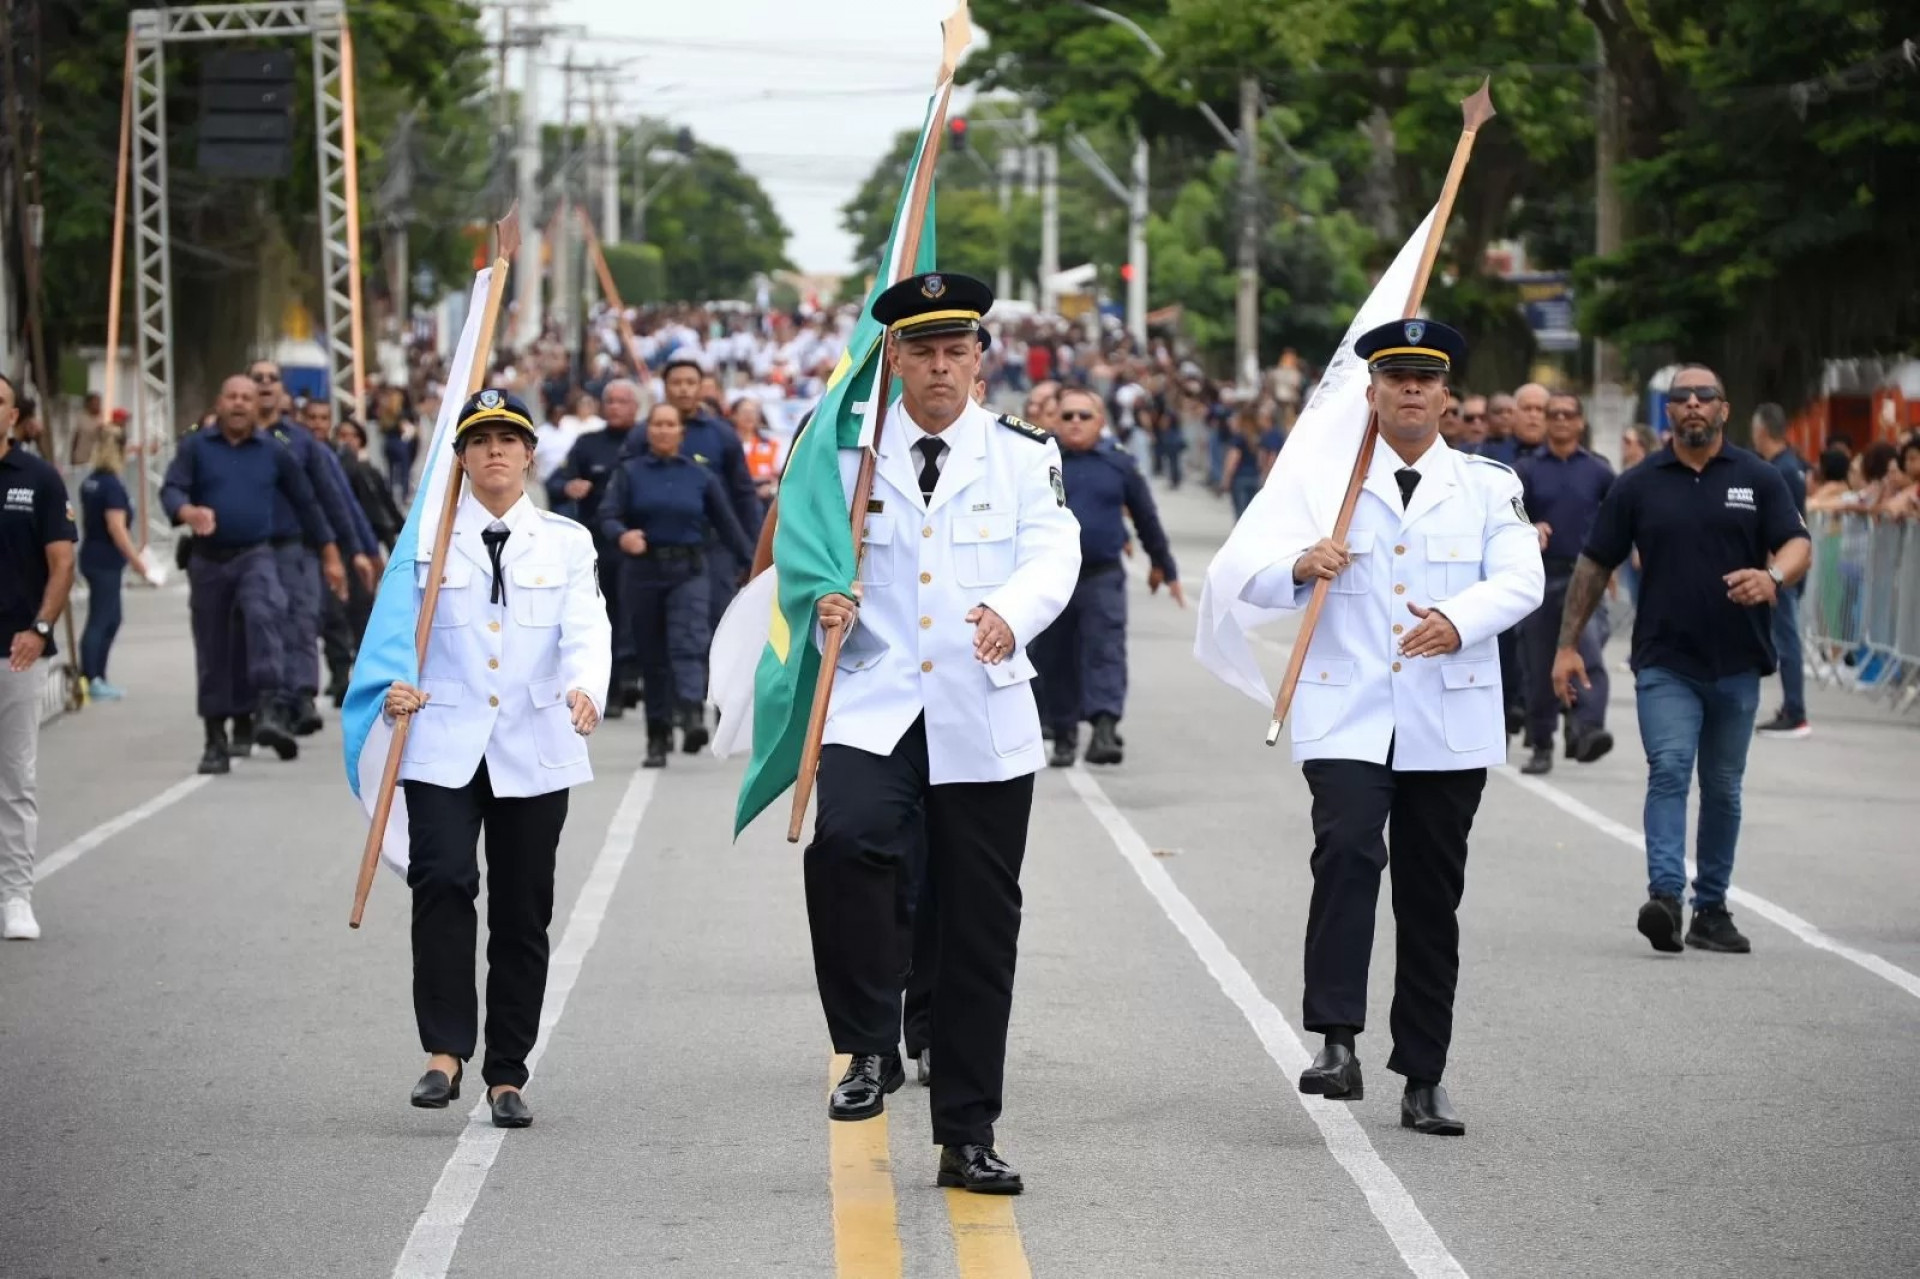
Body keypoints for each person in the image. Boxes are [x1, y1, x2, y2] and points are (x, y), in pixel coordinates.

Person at [1233, 319, 1543, 1136]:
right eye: (1394, 378)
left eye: (1425, 378)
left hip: (1446, 714)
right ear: (1369, 394)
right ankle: (1336, 1038)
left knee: (1431, 894)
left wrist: (1458, 616)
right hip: (1347, 712)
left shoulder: (1487, 484)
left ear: (1447, 397)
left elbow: (1522, 577)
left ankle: (1425, 1073)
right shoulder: (1320, 482)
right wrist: (1299, 565)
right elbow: (1247, 573)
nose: (1410, 389)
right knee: (1346, 853)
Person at [807, 271, 1079, 1194]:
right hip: (874, 697)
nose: (937, 366)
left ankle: (966, 1131)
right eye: (919, 350)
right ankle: (870, 1043)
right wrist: (820, 608)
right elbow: (801, 563)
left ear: (979, 359)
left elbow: (1055, 550)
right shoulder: (843, 456)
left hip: (981, 704)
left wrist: (1011, 609)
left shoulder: (1023, 454)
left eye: (954, 350)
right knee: (845, 841)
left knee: (975, 928)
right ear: (894, 358)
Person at [383, 389, 610, 1130]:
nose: (495, 452)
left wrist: (586, 689)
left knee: (522, 909)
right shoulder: (424, 537)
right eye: (479, 441)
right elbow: (388, 634)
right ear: (460, 457)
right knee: (442, 879)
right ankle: (443, 1051)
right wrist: (389, 685)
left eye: (509, 439)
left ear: (529, 453)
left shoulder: (566, 542)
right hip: (442, 740)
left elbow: (586, 627)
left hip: (533, 741)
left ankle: (507, 1070)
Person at [1552, 364, 1810, 956]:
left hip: (1738, 661)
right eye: (1681, 398)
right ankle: (1665, 897)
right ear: (1667, 412)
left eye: (1705, 396)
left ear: (1725, 408)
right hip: (1666, 659)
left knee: (1722, 787)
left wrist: (1772, 577)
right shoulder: (1639, 483)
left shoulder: (1758, 477)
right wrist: (1567, 647)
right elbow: (1595, 564)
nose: (1693, 404)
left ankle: (1711, 909)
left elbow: (1798, 544)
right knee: (1669, 767)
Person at [161, 376, 335, 772]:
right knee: (214, 647)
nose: (239, 403)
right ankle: (215, 738)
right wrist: (187, 512)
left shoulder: (273, 452)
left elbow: (307, 502)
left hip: (256, 555)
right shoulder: (195, 447)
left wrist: (330, 552)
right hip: (207, 560)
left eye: (246, 397)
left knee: (264, 614)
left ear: (257, 406)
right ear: (219, 402)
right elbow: (171, 489)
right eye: (232, 396)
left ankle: (269, 707)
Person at [600, 401, 755, 767]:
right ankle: (658, 735)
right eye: (657, 424)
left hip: (689, 569)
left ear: (681, 434)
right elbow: (607, 514)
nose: (664, 431)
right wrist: (622, 536)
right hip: (642, 571)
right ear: (648, 431)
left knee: (688, 642)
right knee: (652, 656)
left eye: (671, 425)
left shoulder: (700, 476)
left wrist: (752, 563)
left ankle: (689, 712)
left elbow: (728, 524)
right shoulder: (629, 473)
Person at [1031, 386, 1179, 767]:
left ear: (1101, 421)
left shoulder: (1119, 464)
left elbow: (1145, 517)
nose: (1076, 423)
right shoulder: (1038, 461)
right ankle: (1064, 734)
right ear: (1056, 421)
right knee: (1055, 657)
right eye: (1068, 416)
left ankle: (1104, 728)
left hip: (1102, 575)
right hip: (1051, 580)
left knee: (1105, 651)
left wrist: (1164, 566)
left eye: (1085, 416)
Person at [249, 360, 374, 740]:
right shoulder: (230, 439)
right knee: (261, 624)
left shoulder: (299, 443)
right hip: (247, 550)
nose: (266, 385)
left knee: (301, 622)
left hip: (296, 547)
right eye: (259, 379)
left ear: (283, 391)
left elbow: (333, 499)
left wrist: (355, 549)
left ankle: (299, 698)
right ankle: (262, 704)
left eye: (273, 379)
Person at [0, 373, 77, 941]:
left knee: (14, 779)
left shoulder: (39, 479)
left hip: (17, 651)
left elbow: (62, 563)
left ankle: (16, 896)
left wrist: (40, 627)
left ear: (13, 414)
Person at [1515, 391, 1616, 773]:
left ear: (1579, 422)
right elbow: (1505, 514)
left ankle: (1587, 727)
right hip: (1540, 575)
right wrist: (1529, 526)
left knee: (1586, 650)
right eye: (1552, 414)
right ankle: (1542, 743)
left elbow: (1620, 516)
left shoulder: (1598, 470)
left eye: (1566, 414)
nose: (1558, 420)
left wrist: (1618, 561)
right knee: (1540, 662)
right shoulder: (1526, 469)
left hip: (1585, 573)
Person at [549, 378, 645, 717]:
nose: (616, 407)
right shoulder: (588, 444)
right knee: (606, 616)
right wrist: (568, 486)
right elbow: (555, 481)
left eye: (623, 401)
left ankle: (639, 677)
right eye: (610, 401)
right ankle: (614, 688)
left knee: (641, 617)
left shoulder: (648, 439)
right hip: (598, 545)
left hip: (641, 544)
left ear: (636, 406)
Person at [77, 426, 162, 701]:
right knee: (101, 619)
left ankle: (96, 675)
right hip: (105, 559)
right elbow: (117, 528)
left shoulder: (91, 481)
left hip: (94, 553)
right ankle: (92, 678)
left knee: (111, 618)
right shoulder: (112, 485)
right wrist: (139, 563)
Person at [1747, 403, 1811, 738]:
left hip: (1781, 567)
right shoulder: (1792, 464)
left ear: (1761, 431)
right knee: (1784, 635)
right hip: (1785, 565)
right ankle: (1791, 706)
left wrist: (1775, 568)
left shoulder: (1782, 470)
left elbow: (1785, 524)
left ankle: (1795, 711)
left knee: (1786, 638)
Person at [731, 395, 782, 506]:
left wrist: (771, 488)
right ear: (734, 416)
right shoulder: (728, 445)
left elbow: (782, 478)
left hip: (765, 499)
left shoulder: (771, 445)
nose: (749, 416)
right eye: (745, 412)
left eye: (753, 413)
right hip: (737, 499)